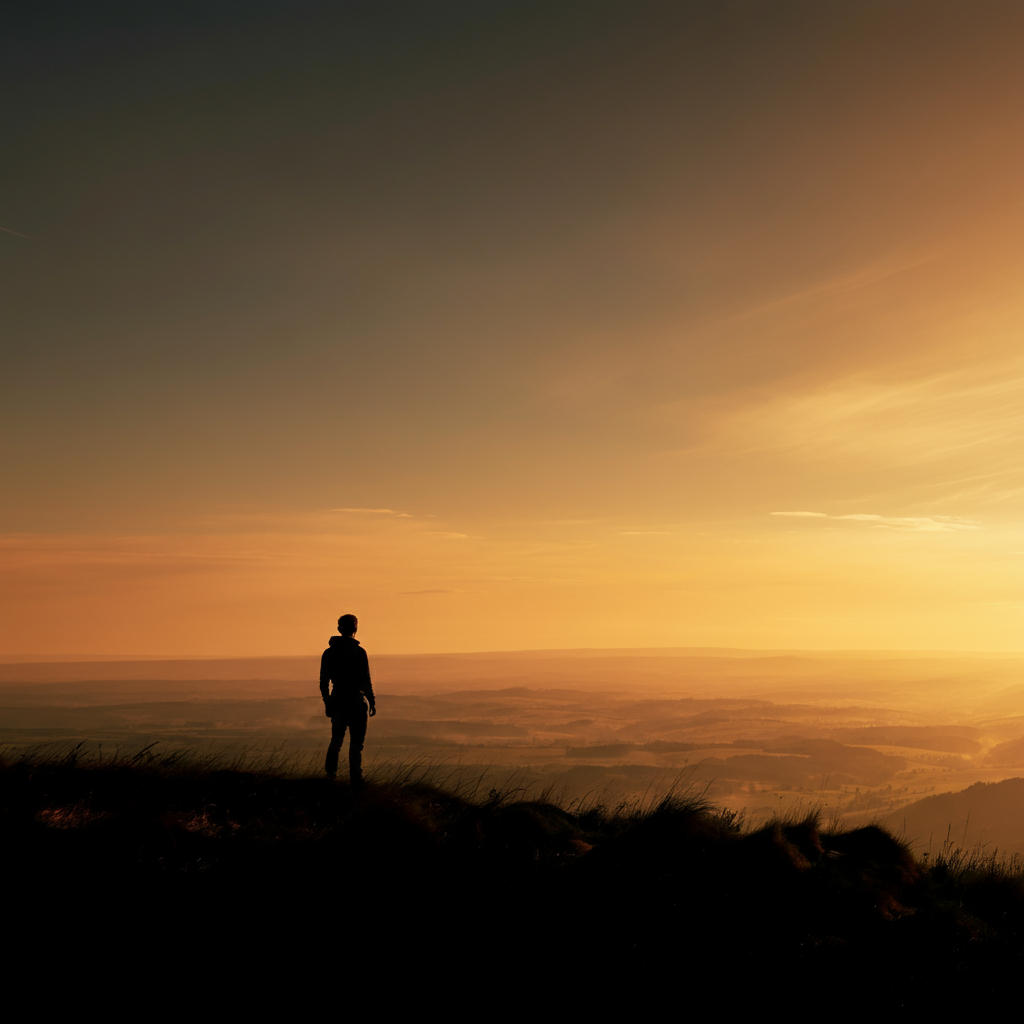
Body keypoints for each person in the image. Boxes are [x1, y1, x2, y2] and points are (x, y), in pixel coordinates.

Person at [320, 613, 376, 781]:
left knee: (336, 740)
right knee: (356, 745)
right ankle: (356, 779)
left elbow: (324, 682)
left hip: (338, 700)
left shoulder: (329, 653)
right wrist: (371, 700)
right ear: (356, 629)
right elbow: (365, 680)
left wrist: (328, 702)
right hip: (356, 702)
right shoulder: (359, 652)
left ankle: (331, 776)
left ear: (339, 629)